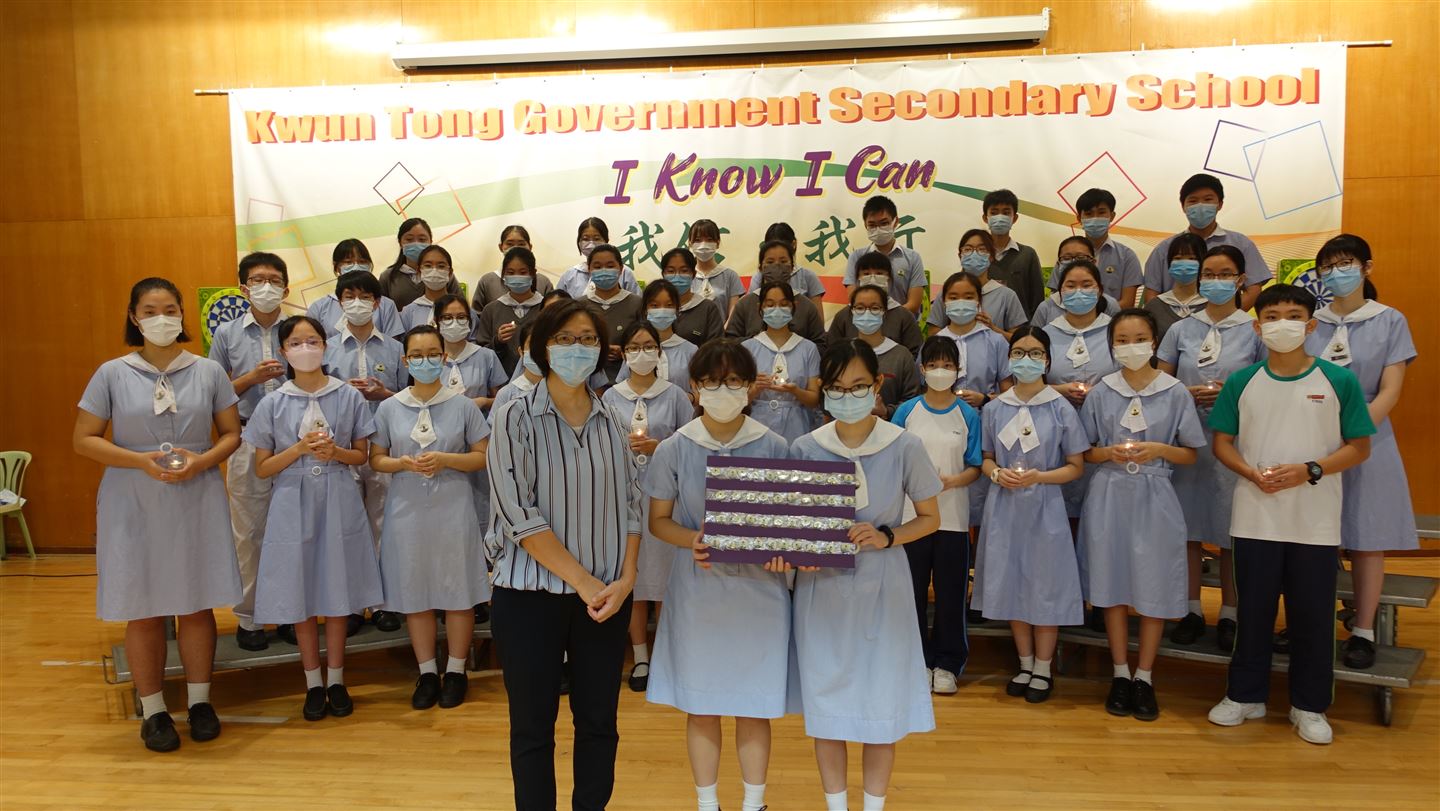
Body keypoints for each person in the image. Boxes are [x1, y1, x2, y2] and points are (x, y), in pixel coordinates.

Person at [74, 277, 243, 751]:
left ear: (182, 314)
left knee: (195, 602)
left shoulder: (208, 371)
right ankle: (153, 711)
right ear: (134, 317)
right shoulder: (112, 373)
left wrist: (201, 462)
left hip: (196, 493)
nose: (161, 318)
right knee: (143, 605)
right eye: (149, 311)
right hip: (133, 497)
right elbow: (84, 439)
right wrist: (140, 461)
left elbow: (231, 433)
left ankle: (200, 702)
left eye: (169, 309)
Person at [486, 299, 642, 810]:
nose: (578, 349)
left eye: (588, 339)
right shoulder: (514, 414)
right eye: (566, 339)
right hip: (530, 596)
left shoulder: (612, 416)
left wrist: (627, 579)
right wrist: (584, 581)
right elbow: (519, 516)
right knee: (533, 728)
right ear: (542, 347)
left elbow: (632, 505)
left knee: (599, 723)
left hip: (605, 600)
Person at [1206, 284, 1375, 746]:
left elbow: (1359, 446)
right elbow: (1222, 442)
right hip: (1254, 516)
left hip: (1314, 522)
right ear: (1258, 328)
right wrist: (1249, 472)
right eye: (1273, 316)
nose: (1283, 324)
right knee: (1253, 612)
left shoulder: (1338, 381)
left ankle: (1309, 705)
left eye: (1294, 315)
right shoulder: (1242, 382)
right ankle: (1245, 695)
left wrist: (1310, 470)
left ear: (1311, 325)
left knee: (1312, 617)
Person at [790, 339, 943, 811]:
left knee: (881, 707)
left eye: (858, 386)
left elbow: (930, 518)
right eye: (836, 388)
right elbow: (792, 525)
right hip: (822, 592)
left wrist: (887, 535)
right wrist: (801, 553)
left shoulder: (904, 445)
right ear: (824, 390)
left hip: (883, 586)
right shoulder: (806, 447)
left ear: (877, 384)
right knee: (827, 706)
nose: (847, 396)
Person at [645, 339, 794, 811]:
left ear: (750, 387)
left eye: (732, 381)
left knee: (754, 704)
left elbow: (790, 523)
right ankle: (707, 803)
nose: (722, 390)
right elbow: (658, 521)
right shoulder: (675, 447)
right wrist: (692, 539)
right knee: (702, 704)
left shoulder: (775, 446)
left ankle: (755, 803)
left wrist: (783, 552)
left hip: (760, 593)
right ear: (694, 387)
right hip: (699, 591)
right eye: (711, 381)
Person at [245, 315, 384, 722]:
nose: (305, 348)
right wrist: (299, 449)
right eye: (295, 342)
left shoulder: (348, 396)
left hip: (339, 494)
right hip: (291, 498)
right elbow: (263, 468)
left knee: (337, 589)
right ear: (283, 351)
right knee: (301, 589)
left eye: (313, 341)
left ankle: (336, 678)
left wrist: (335, 453)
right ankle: (312, 682)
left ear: (325, 346)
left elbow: (361, 455)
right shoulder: (273, 402)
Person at [1077, 309, 1204, 722]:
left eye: (1139, 339)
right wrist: (1107, 453)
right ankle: (1119, 672)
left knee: (1153, 586)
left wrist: (1160, 449)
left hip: (1155, 494)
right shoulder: (1102, 391)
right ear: (1112, 346)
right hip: (1109, 493)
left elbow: (1190, 452)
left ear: (1154, 342)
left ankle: (1144, 676)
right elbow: (1085, 451)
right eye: (1122, 340)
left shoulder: (1174, 391)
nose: (1130, 347)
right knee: (1111, 584)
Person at [1306, 234, 1418, 669]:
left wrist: (1353, 429)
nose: (1337, 273)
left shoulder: (1390, 320)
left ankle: (1363, 631)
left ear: (1366, 268)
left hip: (1369, 438)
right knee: (1313, 536)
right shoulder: (1311, 322)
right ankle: (1308, 623)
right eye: (1328, 266)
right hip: (1312, 437)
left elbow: (1391, 389)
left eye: (1346, 263)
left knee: (1367, 537)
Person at [370, 325, 491, 710]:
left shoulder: (463, 406)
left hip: (453, 504)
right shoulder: (390, 407)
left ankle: (455, 670)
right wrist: (402, 463)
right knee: (414, 589)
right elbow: (376, 459)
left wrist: (446, 460)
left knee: (458, 589)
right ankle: (426, 672)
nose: (426, 361)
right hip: (406, 507)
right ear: (405, 360)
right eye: (417, 355)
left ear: (444, 357)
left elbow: (482, 456)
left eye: (433, 354)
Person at [1156, 244, 1264, 651]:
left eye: (1225, 275)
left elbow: (1268, 383)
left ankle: (1231, 613)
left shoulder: (1254, 330)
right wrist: (1185, 394)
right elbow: (1160, 383)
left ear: (1240, 280)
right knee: (1188, 530)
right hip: (1188, 442)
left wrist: (1231, 395)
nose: (1215, 281)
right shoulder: (1181, 329)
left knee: (1231, 532)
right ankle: (1191, 610)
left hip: (1236, 442)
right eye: (1209, 275)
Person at [973, 327, 1087, 703]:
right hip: (1004, 507)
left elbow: (1076, 466)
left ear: (1047, 361)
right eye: (1019, 352)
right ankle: (1024, 663)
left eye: (1035, 353)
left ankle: (1043, 667)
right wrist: (996, 474)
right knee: (1011, 583)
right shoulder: (994, 408)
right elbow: (986, 458)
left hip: (1046, 506)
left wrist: (1040, 477)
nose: (1026, 359)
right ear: (1009, 359)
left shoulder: (1060, 408)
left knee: (1045, 585)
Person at [601, 322, 694, 694]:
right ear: (624, 354)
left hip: (667, 502)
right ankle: (640, 657)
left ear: (659, 352)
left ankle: (669, 655)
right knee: (634, 581)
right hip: (625, 499)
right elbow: (599, 443)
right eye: (634, 347)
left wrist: (661, 447)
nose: (642, 353)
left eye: (648, 346)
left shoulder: (675, 396)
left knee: (666, 582)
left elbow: (691, 444)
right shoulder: (610, 397)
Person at [893, 336, 983, 696]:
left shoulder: (968, 415)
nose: (940, 371)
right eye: (933, 365)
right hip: (910, 519)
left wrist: (951, 481)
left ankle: (947, 663)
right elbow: (893, 459)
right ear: (922, 369)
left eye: (947, 365)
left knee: (950, 594)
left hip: (953, 518)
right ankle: (916, 660)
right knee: (911, 592)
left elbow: (975, 465)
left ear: (958, 370)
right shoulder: (907, 411)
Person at [208, 252, 288, 652]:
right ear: (244, 288)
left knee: (294, 530)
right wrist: (250, 378)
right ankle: (250, 618)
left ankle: (292, 611)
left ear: (286, 288)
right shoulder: (227, 334)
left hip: (294, 442)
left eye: (274, 280)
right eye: (258, 280)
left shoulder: (300, 329)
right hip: (246, 436)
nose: (266, 287)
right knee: (249, 532)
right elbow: (213, 392)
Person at [324, 270, 405, 632]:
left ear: (377, 303)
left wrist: (382, 393)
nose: (357, 303)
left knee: (383, 522)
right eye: (349, 296)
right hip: (342, 446)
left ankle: (384, 602)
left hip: (384, 443)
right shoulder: (326, 347)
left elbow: (406, 397)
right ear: (339, 302)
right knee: (348, 525)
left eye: (365, 297)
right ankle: (353, 604)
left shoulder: (395, 348)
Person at [1041, 259, 1118, 521]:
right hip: (1055, 428)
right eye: (1071, 286)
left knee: (1099, 509)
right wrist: (1060, 389)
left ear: (1099, 290)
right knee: (1058, 509)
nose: (1079, 292)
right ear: (1060, 292)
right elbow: (1030, 383)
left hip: (1105, 428)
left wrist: (1100, 391)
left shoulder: (1116, 331)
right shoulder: (1047, 333)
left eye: (1086, 285)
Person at [1142, 173, 1271, 311]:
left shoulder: (1241, 244)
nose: (1200, 206)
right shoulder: (1164, 248)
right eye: (1193, 201)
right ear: (1183, 206)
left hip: (1226, 321)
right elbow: (1152, 293)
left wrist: (1227, 317)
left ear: (1220, 204)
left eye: (1208, 199)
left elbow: (1253, 290)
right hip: (1173, 321)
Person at [741, 281, 822, 443]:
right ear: (760, 308)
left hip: (797, 427)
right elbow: (737, 401)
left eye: (784, 304)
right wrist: (755, 389)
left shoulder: (808, 348)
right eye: (770, 305)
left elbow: (814, 399)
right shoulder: (747, 348)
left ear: (793, 306)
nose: (777, 309)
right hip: (756, 425)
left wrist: (795, 391)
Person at [923, 229, 1027, 337]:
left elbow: (1018, 339)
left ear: (991, 256)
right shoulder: (948, 292)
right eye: (968, 249)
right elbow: (933, 332)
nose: (974, 254)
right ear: (960, 256)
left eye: (982, 249)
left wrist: (993, 329)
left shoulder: (1006, 295)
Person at [839, 283, 920, 419]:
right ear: (852, 311)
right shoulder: (841, 354)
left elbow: (913, 400)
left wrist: (887, 411)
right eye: (860, 308)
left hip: (892, 427)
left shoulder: (901, 356)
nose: (867, 313)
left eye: (875, 308)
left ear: (885, 312)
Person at [727, 240, 826, 349]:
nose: (777, 266)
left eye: (783, 261)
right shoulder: (745, 304)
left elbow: (820, 344)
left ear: (792, 267)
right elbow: (730, 341)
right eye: (770, 262)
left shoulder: (807, 306)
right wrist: (757, 343)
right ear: (760, 267)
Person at [825, 253, 923, 355]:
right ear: (857, 279)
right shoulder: (844, 315)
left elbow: (915, 352)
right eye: (866, 274)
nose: (872, 278)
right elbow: (831, 351)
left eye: (879, 273)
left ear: (889, 278)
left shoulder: (903, 316)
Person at [843, 195, 926, 315]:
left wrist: (888, 318)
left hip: (902, 324)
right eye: (872, 225)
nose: (878, 229)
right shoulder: (856, 257)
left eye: (884, 223)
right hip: (865, 321)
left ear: (895, 221)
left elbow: (914, 303)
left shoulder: (913, 258)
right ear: (865, 225)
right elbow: (853, 298)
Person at [307, 239, 406, 339]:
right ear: (336, 267)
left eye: (362, 262)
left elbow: (393, 344)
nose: (356, 266)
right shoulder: (319, 308)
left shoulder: (386, 305)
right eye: (348, 262)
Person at [476, 246, 547, 376]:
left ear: (533, 273)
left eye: (523, 272)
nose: (517, 277)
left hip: (541, 379)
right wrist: (498, 341)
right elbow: (481, 353)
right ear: (503, 274)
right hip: (501, 382)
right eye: (511, 272)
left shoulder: (545, 308)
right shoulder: (491, 310)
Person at [578, 243, 644, 383]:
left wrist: (625, 351)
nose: (604, 271)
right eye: (597, 267)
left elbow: (647, 342)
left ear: (621, 269)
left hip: (628, 381)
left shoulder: (637, 304)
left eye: (610, 266)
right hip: (586, 381)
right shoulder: (579, 305)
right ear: (589, 270)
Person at [617, 279, 700, 388]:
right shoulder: (635, 349)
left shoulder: (691, 351)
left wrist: (690, 396)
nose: (662, 310)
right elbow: (622, 387)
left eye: (669, 305)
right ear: (645, 309)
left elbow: (701, 390)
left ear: (677, 309)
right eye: (655, 305)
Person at [1073, 188, 1143, 307]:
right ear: (1079, 218)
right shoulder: (1068, 255)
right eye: (1089, 214)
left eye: (1101, 212)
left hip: (1114, 318)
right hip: (1074, 317)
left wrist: (1096, 315)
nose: (1095, 218)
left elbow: (1128, 302)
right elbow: (1058, 297)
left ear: (1112, 216)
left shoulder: (1127, 256)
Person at [981, 189, 1044, 317]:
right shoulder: (975, 255)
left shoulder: (1028, 254)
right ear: (985, 218)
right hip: (983, 325)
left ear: (1014, 218)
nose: (1000, 217)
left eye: (1006, 213)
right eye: (994, 212)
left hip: (1022, 327)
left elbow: (1037, 299)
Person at [1030, 237, 1120, 326]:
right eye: (1066, 258)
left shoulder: (1110, 305)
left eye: (1081, 257)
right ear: (1058, 264)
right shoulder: (1046, 308)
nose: (1073, 262)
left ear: (1093, 262)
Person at [378, 218, 462, 311]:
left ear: (430, 242)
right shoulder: (387, 277)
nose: (416, 244)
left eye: (422, 239)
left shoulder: (443, 274)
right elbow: (381, 311)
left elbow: (461, 306)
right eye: (409, 239)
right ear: (400, 243)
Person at [470, 225, 554, 311]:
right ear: (501, 247)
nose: (515, 248)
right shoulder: (487, 281)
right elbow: (477, 315)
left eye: (521, 244)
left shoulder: (543, 282)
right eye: (510, 244)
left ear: (530, 247)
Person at [747, 222, 826, 311]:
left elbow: (817, 316)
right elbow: (750, 311)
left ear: (793, 244)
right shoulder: (758, 277)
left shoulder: (808, 276)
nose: (777, 264)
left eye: (783, 260)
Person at [1143, 233, 1208, 340]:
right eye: (1178, 258)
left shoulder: (1212, 305)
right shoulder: (1154, 306)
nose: (1184, 264)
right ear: (1170, 264)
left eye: (1192, 258)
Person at [657, 247, 725, 346]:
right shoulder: (653, 308)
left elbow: (717, 347)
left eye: (684, 271)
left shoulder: (707, 308)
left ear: (693, 274)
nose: (677, 276)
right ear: (663, 274)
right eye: (671, 271)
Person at [556, 217, 641, 297]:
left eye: (596, 239)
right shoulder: (570, 275)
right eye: (585, 239)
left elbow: (636, 302)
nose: (591, 244)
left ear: (606, 241)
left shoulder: (624, 273)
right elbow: (558, 303)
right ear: (579, 241)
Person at [687, 218, 745, 317]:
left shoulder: (730, 276)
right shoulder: (686, 276)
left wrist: (724, 327)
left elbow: (733, 315)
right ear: (690, 243)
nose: (703, 244)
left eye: (709, 240)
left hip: (723, 327)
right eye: (698, 240)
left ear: (717, 243)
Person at [399, 244, 460, 331]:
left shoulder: (462, 310)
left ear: (450, 273)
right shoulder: (408, 312)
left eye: (441, 266)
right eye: (428, 266)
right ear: (419, 271)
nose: (434, 271)